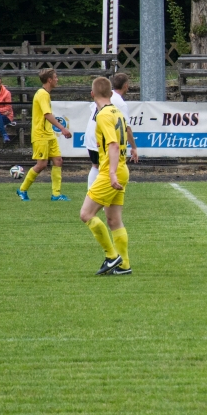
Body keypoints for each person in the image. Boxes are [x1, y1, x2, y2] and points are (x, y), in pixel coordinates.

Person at [79, 76, 132, 276]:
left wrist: (111, 173)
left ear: (92, 94)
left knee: (86, 214)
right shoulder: (117, 111)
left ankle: (112, 256)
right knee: (114, 220)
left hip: (112, 170)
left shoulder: (102, 115)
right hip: (122, 169)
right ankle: (124, 265)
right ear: (110, 93)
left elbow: (113, 145)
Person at [17, 68, 73, 201]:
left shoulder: (45, 94)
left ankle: (56, 194)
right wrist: (62, 128)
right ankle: (22, 189)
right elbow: (47, 114)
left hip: (48, 134)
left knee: (58, 160)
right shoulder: (42, 94)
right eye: (55, 77)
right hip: (41, 135)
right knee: (41, 164)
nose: (57, 79)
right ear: (49, 80)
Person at [86, 72, 138, 188]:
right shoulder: (119, 103)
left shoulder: (102, 95)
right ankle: (97, 195)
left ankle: (92, 192)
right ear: (125, 85)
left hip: (91, 135)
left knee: (95, 165)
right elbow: (126, 128)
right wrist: (134, 147)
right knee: (108, 168)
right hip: (102, 137)